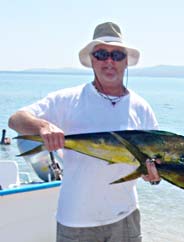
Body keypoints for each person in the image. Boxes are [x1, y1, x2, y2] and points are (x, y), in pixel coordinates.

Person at [8, 22, 160, 242]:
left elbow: (152, 168)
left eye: (116, 55)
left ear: (126, 62)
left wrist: (154, 177)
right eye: (101, 54)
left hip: (126, 218)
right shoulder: (67, 100)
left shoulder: (142, 107)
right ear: (92, 60)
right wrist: (43, 127)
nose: (109, 61)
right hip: (76, 223)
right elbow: (16, 119)